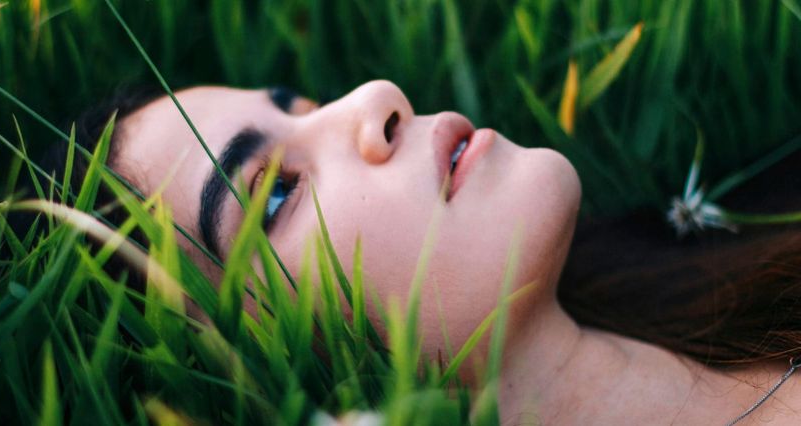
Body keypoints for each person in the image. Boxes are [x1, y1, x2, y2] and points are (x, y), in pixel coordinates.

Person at [45, 80, 801, 424]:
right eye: (274, 193)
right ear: (252, 370)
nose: (378, 99)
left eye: (305, 104)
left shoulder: (764, 230)